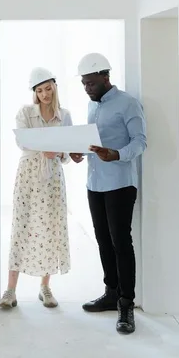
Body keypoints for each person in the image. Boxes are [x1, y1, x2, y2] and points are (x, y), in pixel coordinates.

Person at [69, 53, 146, 335]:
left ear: (105, 77)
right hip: (95, 184)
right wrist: (80, 152)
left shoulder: (128, 104)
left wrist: (116, 154)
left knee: (120, 242)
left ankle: (126, 304)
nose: (86, 88)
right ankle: (111, 293)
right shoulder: (93, 106)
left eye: (90, 83)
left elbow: (140, 142)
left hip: (120, 184)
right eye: (83, 84)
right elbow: (94, 144)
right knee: (103, 240)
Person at [0, 68, 72, 310]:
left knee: (50, 227)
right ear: (35, 93)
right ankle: (10, 290)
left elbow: (67, 153)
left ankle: (45, 287)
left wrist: (57, 151)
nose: (45, 95)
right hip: (28, 175)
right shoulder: (25, 113)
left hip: (52, 178)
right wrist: (48, 147)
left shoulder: (65, 116)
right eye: (39, 91)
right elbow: (23, 142)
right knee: (21, 226)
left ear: (55, 87)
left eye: (48, 89)